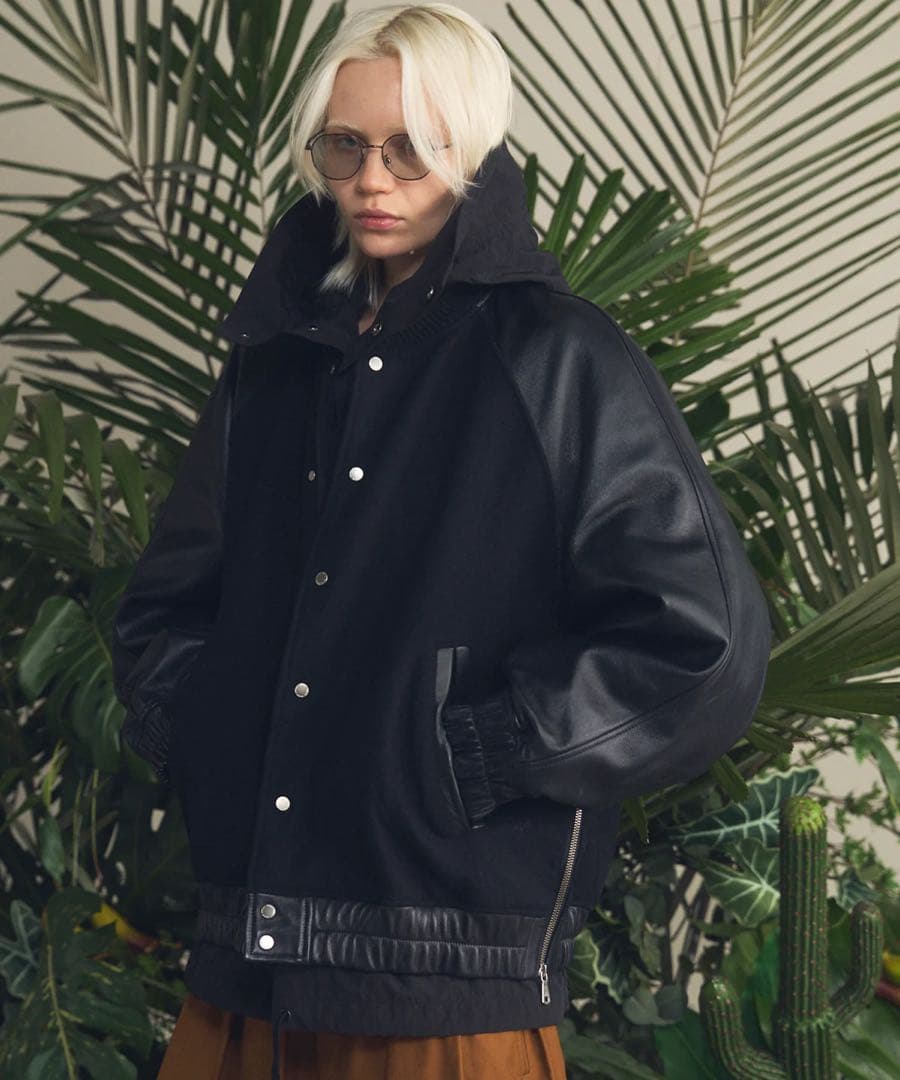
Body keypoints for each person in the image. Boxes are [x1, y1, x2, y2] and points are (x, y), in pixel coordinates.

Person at [110, 4, 772, 1078]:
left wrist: (483, 752)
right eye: (346, 146)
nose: (373, 180)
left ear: (470, 149)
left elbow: (706, 643)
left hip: (445, 977)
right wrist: (214, 734)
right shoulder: (273, 365)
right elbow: (166, 606)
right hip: (243, 966)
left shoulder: (560, 359)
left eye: (411, 148)